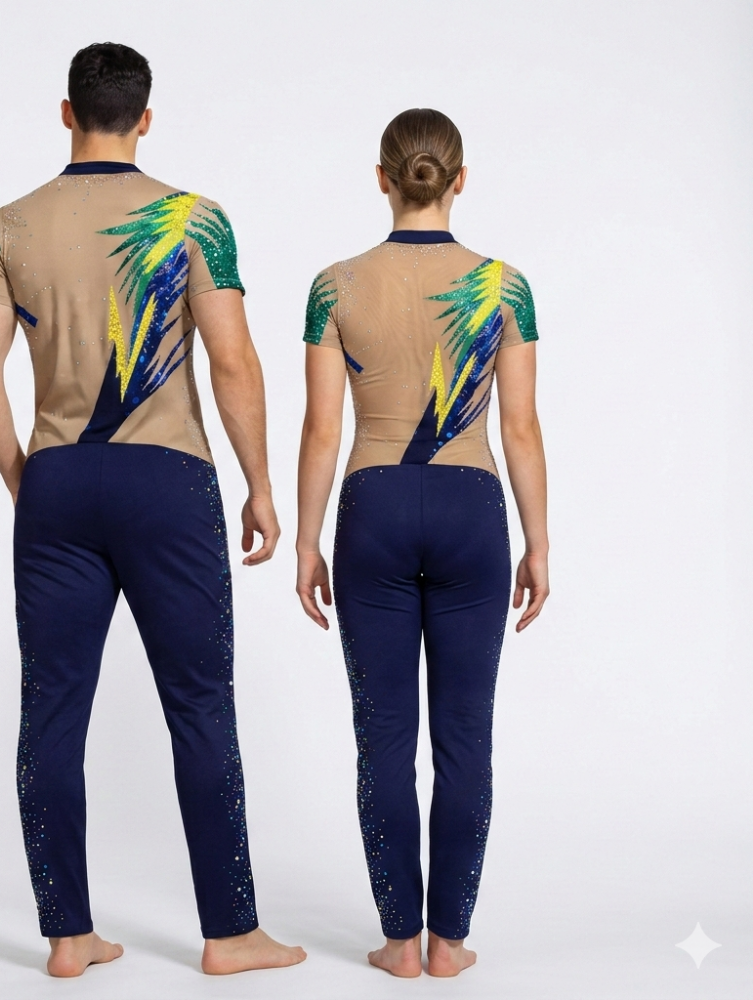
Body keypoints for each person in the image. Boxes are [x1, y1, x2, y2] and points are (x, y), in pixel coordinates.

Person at [0, 42, 305, 978]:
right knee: (200, 705)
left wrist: (22, 475)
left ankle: (68, 937)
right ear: (145, 119)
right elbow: (232, 361)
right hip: (166, 482)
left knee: (51, 711)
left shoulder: (7, 226)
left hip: (59, 481)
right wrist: (260, 484)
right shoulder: (195, 220)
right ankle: (230, 934)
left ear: (66, 113)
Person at [295, 108, 549, 978]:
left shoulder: (334, 286)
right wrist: (539, 542)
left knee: (384, 740)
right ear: (459, 179)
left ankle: (399, 941)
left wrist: (306, 542)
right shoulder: (505, 287)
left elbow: (322, 431)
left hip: (372, 507)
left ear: (382, 179)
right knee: (464, 739)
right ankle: (450, 943)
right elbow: (520, 429)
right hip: (472, 507)